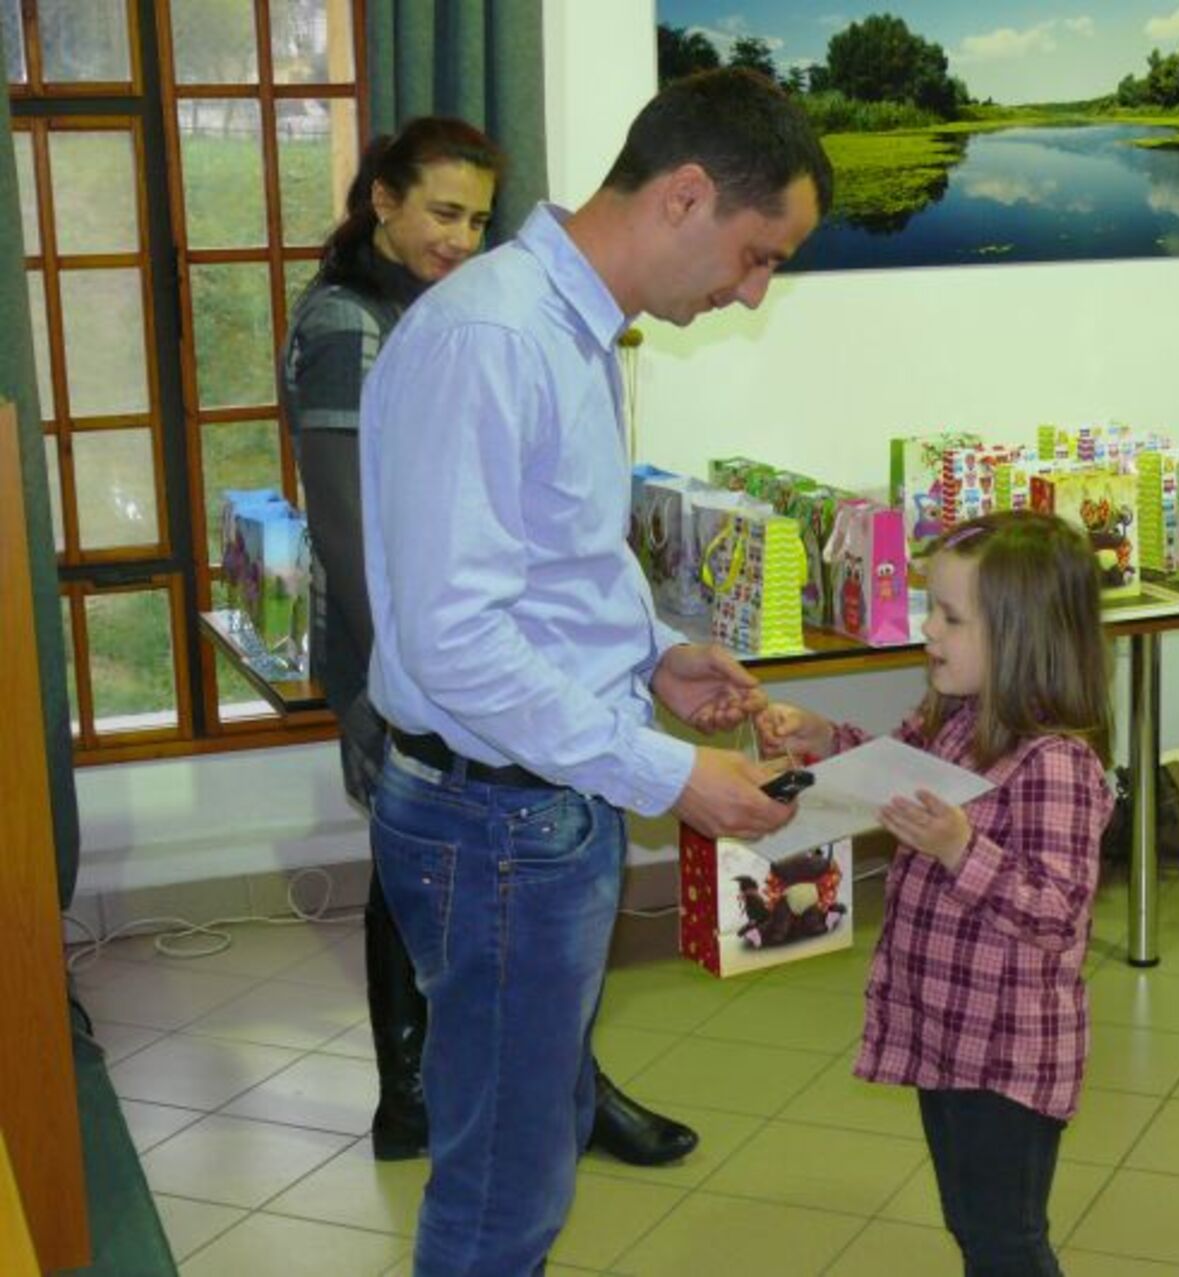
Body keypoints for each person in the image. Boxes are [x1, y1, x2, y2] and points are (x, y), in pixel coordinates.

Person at [358, 70, 830, 1274]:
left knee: (539, 1139)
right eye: (759, 255)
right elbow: (456, 640)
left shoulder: (571, 331)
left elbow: (558, 557)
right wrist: (670, 774)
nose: (753, 292)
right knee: (500, 1195)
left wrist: (656, 655)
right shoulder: (492, 337)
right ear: (685, 195)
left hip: (536, 806)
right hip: (494, 820)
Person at [281, 117, 702, 1173]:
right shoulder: (404, 327)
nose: (461, 237)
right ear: (381, 200)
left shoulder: (500, 317)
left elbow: (554, 545)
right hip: (415, 673)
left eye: (476, 218)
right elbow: (359, 537)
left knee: (507, 986)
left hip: (483, 688)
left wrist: (646, 649)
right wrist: (401, 691)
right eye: (442, 212)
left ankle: (542, 1088)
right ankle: (417, 1093)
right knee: (436, 906)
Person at [756, 512, 1113, 1277]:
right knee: (972, 1222)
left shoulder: (1056, 763)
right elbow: (888, 773)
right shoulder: (953, 717)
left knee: (1006, 1238)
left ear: (1021, 635)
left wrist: (959, 847)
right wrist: (825, 739)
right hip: (944, 1029)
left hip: (1007, 1055)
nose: (928, 631)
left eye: (951, 617)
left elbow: (1058, 913)